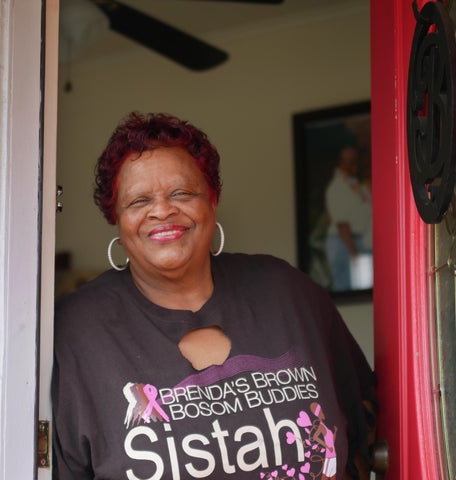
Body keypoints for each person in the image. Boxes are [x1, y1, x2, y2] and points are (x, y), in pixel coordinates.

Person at [51, 112, 377, 480]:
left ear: (212, 200)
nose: (162, 210)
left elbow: (364, 429)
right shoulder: (78, 332)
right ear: (116, 218)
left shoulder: (288, 293)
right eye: (139, 201)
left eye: (181, 193)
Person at [324, 146, 373, 291]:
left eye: (356, 161)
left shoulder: (354, 184)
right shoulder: (338, 187)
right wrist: (355, 256)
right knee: (347, 288)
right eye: (350, 162)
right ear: (341, 163)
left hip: (358, 241)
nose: (355, 165)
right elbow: (342, 225)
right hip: (344, 244)